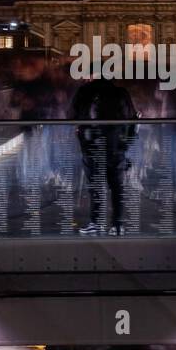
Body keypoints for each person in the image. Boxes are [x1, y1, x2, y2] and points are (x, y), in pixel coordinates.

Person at [70, 77, 138, 235]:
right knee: (117, 187)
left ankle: (96, 222)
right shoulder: (120, 92)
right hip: (116, 146)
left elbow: (71, 114)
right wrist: (125, 144)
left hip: (92, 145)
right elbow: (132, 118)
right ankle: (117, 225)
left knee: (95, 186)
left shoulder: (85, 91)